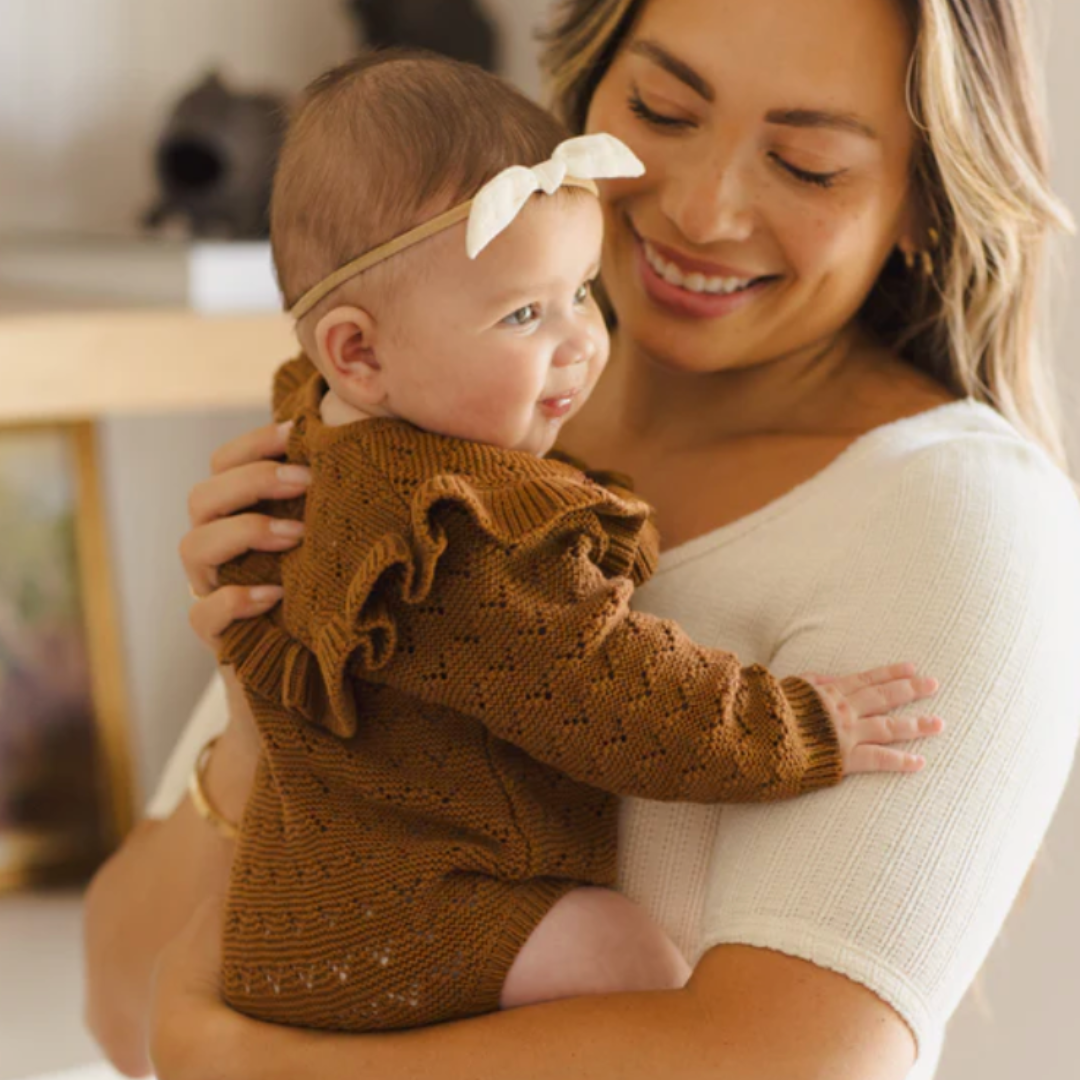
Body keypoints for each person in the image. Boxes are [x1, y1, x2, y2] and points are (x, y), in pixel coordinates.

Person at [83, 0, 1080, 1077]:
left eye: (804, 164)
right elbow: (116, 1002)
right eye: (661, 109)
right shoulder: (429, 440)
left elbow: (794, 1067)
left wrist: (243, 1064)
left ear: (923, 204)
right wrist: (260, 704)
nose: (700, 209)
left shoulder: (959, 515)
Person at [210, 51, 940, 1034]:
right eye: (522, 313)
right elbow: (618, 694)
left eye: (581, 290)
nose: (582, 340)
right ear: (359, 352)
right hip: (402, 919)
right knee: (622, 951)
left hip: (313, 916)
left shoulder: (330, 427)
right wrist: (806, 728)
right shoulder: (456, 543)